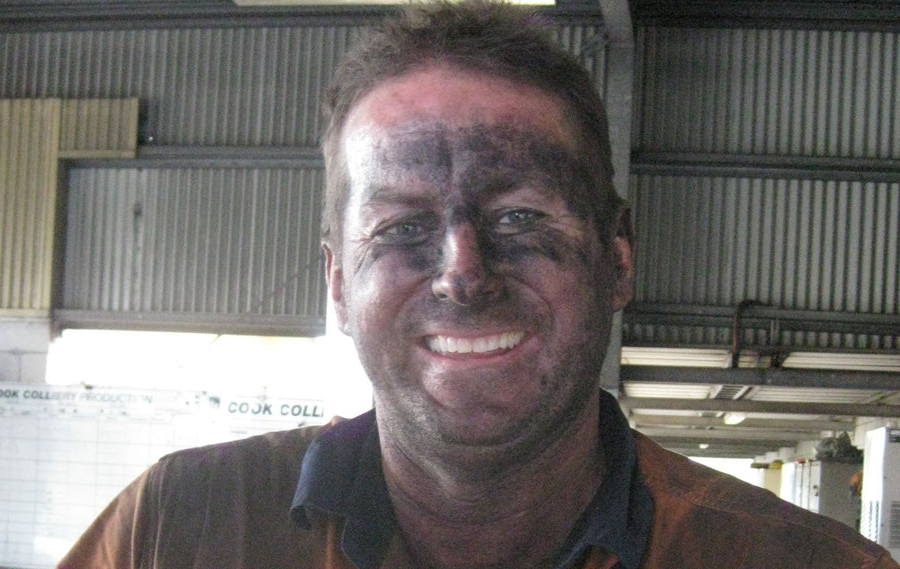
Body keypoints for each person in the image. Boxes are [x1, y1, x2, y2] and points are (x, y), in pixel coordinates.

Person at [58, 2, 899, 568]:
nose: (464, 272)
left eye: (522, 218)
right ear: (338, 283)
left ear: (618, 256)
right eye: (401, 229)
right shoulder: (177, 530)